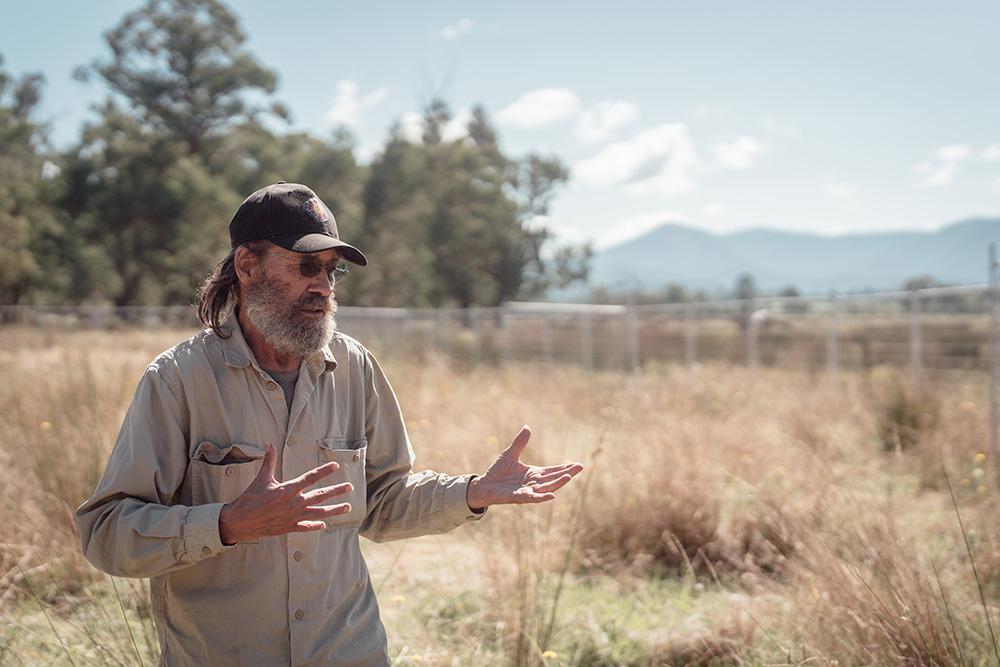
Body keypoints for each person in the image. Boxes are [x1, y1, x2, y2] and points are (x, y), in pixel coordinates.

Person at [75, 182, 584, 666]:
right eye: (305, 266)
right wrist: (227, 524)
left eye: (331, 271)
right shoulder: (178, 380)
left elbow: (383, 501)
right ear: (247, 266)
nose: (322, 286)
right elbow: (106, 533)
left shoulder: (355, 366)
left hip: (349, 652)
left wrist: (472, 492)